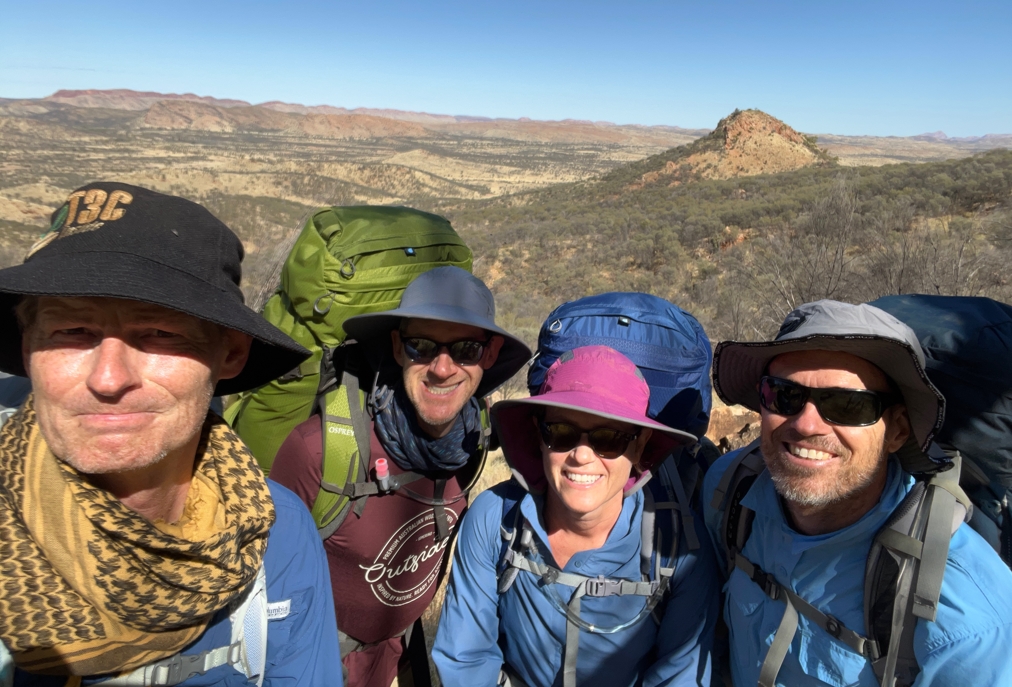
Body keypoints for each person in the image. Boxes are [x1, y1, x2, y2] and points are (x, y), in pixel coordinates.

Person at [0, 182, 340, 686]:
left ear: (230, 354)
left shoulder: (276, 531)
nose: (108, 378)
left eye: (159, 333)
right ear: (28, 345)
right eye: (71, 331)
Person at [703, 299, 1012, 686]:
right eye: (785, 395)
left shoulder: (964, 615)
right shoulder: (730, 492)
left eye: (847, 405)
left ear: (897, 430)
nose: (806, 424)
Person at [269, 266, 531, 687]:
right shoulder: (321, 451)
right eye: (421, 346)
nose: (442, 369)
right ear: (397, 347)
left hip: (392, 660)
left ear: (490, 354)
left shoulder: (473, 444)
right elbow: (266, 585)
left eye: (465, 348)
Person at [433, 345, 720, 687]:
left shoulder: (680, 550)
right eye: (561, 433)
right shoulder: (495, 520)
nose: (581, 455)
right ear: (539, 436)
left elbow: (679, 677)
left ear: (640, 446)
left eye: (609, 438)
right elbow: (467, 659)